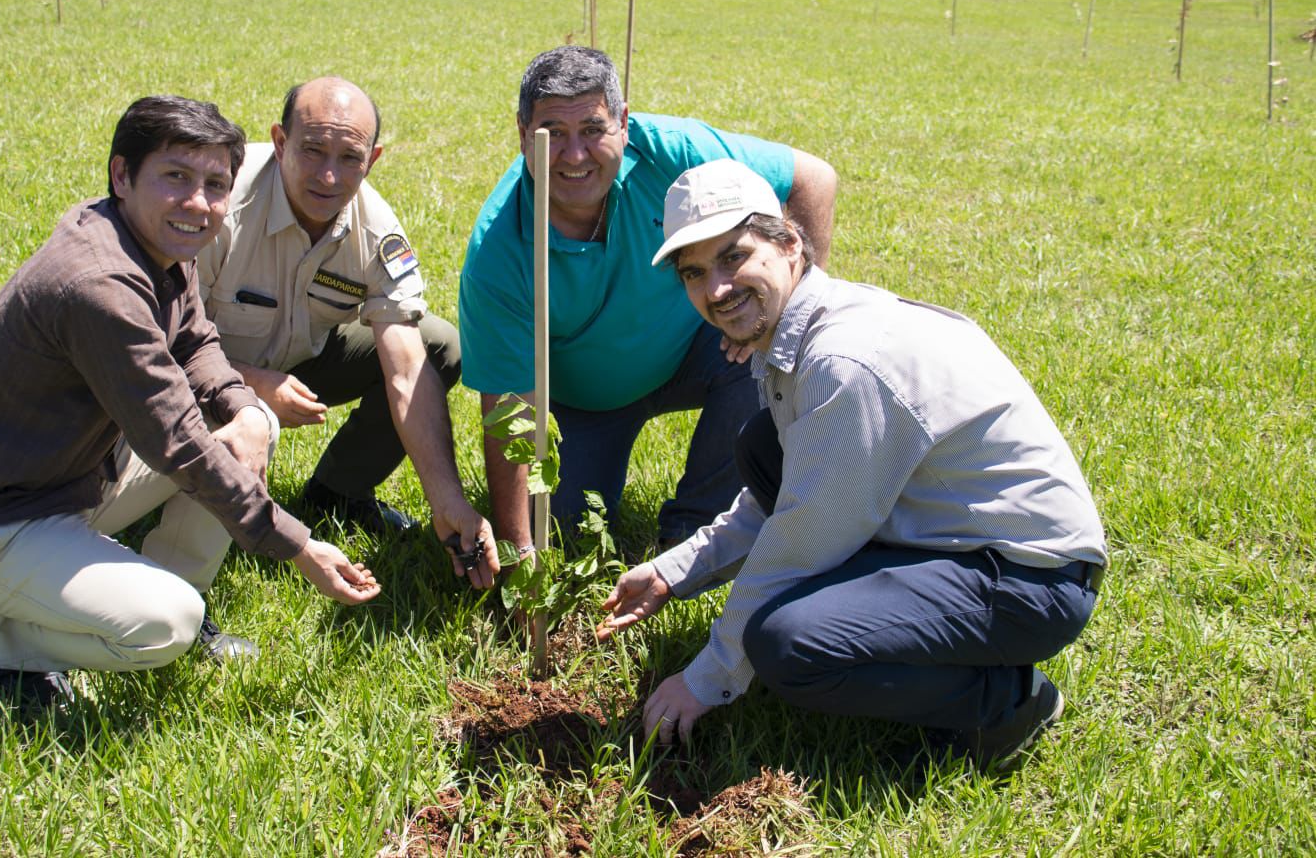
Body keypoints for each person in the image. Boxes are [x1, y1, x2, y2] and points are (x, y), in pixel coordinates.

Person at [597, 160, 1107, 770]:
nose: (717, 289)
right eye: (695, 273)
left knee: (787, 643)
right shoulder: (800, 329)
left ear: (790, 243)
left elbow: (802, 539)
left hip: (1028, 579)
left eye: (735, 257)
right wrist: (673, 573)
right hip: (952, 535)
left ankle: (1008, 705)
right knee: (764, 447)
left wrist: (708, 676)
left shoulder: (842, 362)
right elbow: (786, 500)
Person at [0, 95, 381, 708]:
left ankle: (163, 586)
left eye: (215, 184)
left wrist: (243, 408)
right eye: (175, 176)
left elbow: (197, 342)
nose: (198, 203)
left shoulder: (155, 240)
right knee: (166, 627)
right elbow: (177, 444)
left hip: (60, 482)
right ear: (122, 174)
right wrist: (299, 546)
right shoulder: (100, 286)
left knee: (248, 425)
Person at [458, 47, 838, 555]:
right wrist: (518, 552)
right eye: (553, 133)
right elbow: (509, 413)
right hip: (586, 400)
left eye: (593, 129)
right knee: (565, 530)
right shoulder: (498, 249)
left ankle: (694, 535)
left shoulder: (672, 150)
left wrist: (788, 319)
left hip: (698, 348)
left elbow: (813, 178)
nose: (575, 155)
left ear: (623, 123)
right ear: (524, 133)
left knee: (769, 352)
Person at [198, 78, 499, 588]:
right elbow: (160, 339)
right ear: (279, 141)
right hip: (200, 373)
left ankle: (337, 493)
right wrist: (252, 384)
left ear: (372, 160)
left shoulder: (376, 231)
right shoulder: (219, 205)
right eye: (313, 150)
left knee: (435, 345)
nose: (329, 175)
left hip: (302, 359)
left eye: (349, 158)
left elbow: (407, 371)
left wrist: (447, 499)